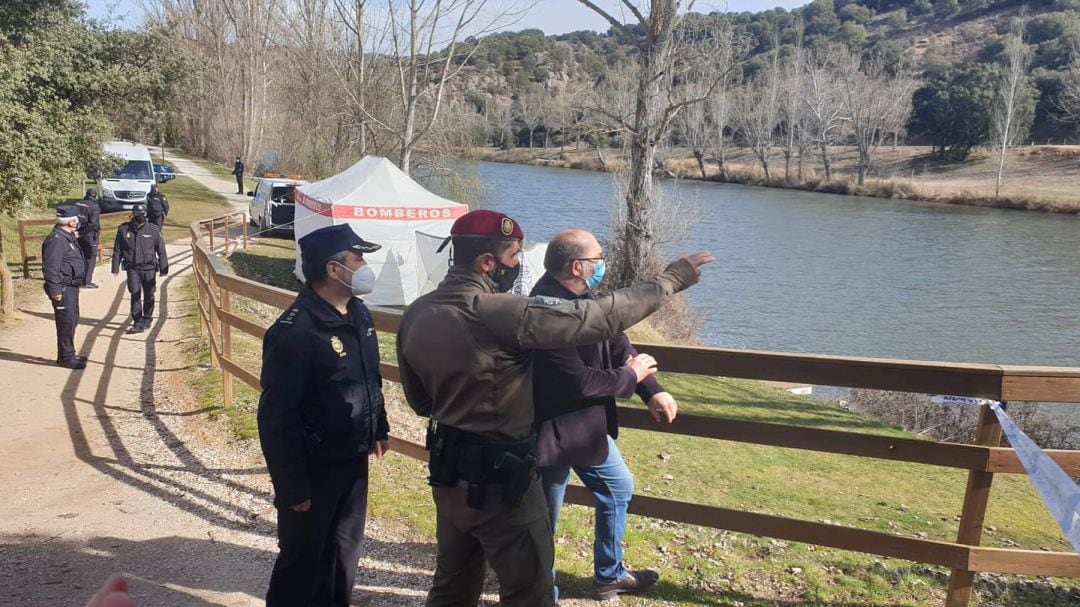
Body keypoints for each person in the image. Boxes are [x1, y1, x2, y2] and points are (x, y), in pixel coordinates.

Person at [396, 209, 713, 607]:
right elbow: (596, 318)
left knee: (452, 585)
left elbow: (419, 400)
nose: (515, 268)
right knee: (530, 591)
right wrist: (670, 279)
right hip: (501, 478)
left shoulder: (416, 313)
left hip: (448, 472)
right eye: (512, 258)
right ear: (487, 262)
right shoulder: (497, 311)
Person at [531, 229, 681, 602]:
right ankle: (539, 591)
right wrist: (632, 376)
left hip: (586, 431)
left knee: (618, 488)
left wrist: (653, 389)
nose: (603, 265)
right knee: (543, 518)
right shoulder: (546, 308)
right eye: (598, 259)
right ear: (578, 267)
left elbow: (619, 344)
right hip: (550, 432)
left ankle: (609, 574)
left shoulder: (586, 296)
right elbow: (579, 383)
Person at [257, 223, 390, 607]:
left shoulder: (358, 314)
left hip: (353, 459)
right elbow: (276, 418)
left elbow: (369, 376)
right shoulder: (295, 331)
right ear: (334, 270)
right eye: (358, 258)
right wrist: (292, 485)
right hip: (312, 468)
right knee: (303, 561)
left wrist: (378, 426)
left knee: (344, 553)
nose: (365, 265)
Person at [110, 204, 168, 334]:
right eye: (137, 214)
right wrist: (115, 267)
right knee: (135, 293)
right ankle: (138, 321)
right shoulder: (124, 229)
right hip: (133, 268)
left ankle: (147, 317)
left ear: (146, 214)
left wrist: (164, 267)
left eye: (142, 214)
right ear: (133, 214)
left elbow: (161, 249)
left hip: (149, 268)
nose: (139, 217)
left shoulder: (153, 230)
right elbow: (117, 250)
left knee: (149, 294)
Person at [43, 206, 88, 369]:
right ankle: (66, 356)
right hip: (62, 287)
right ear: (70, 221)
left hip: (71, 286)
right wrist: (55, 290)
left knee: (72, 319)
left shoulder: (67, 237)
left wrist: (78, 282)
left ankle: (68, 353)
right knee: (66, 321)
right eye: (76, 219)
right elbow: (51, 267)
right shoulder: (56, 240)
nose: (78, 222)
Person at [75, 188, 101, 289]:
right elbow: (92, 223)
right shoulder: (95, 207)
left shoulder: (78, 204)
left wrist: (77, 232)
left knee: (81, 256)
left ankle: (79, 279)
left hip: (76, 233)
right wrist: (82, 233)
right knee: (91, 258)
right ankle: (87, 281)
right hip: (89, 235)